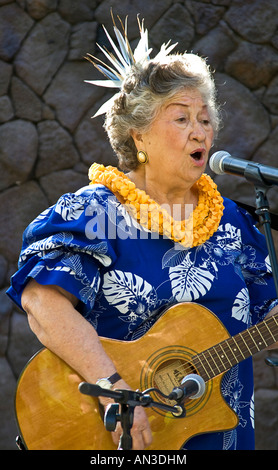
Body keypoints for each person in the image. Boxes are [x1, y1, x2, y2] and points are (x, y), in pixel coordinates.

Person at [7, 14, 278, 451]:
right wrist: (113, 387)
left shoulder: (233, 224)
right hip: (118, 435)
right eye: (181, 118)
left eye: (205, 120)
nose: (200, 132)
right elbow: (42, 301)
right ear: (139, 137)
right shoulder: (98, 213)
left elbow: (269, 314)